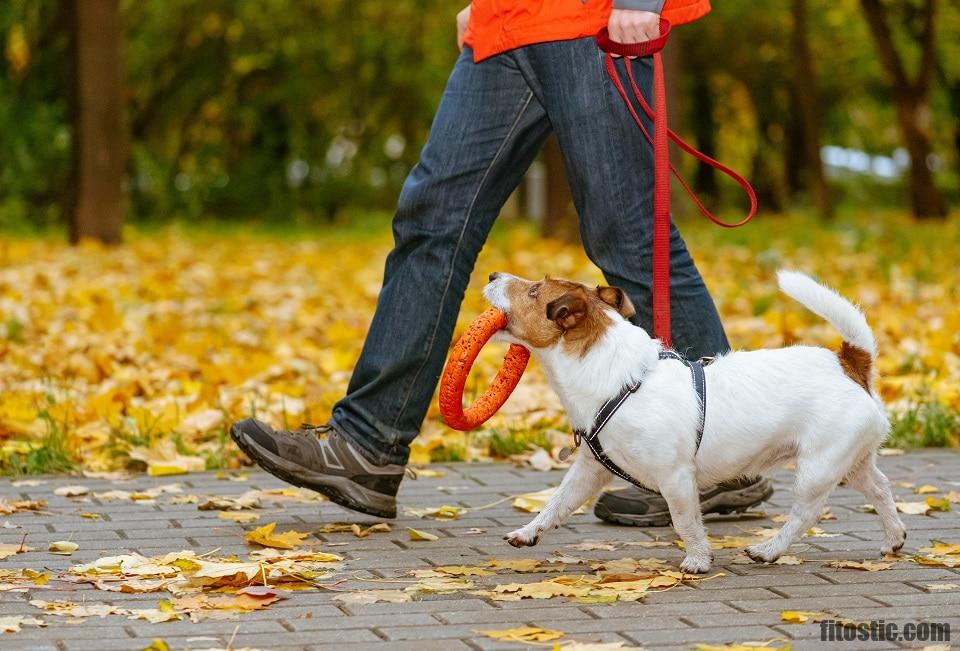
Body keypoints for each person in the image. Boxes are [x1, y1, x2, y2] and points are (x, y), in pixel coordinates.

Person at [231, 0, 772, 526]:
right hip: (506, 23)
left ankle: (720, 456)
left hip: (593, 20)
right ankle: (368, 444)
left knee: (628, 238)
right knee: (432, 220)